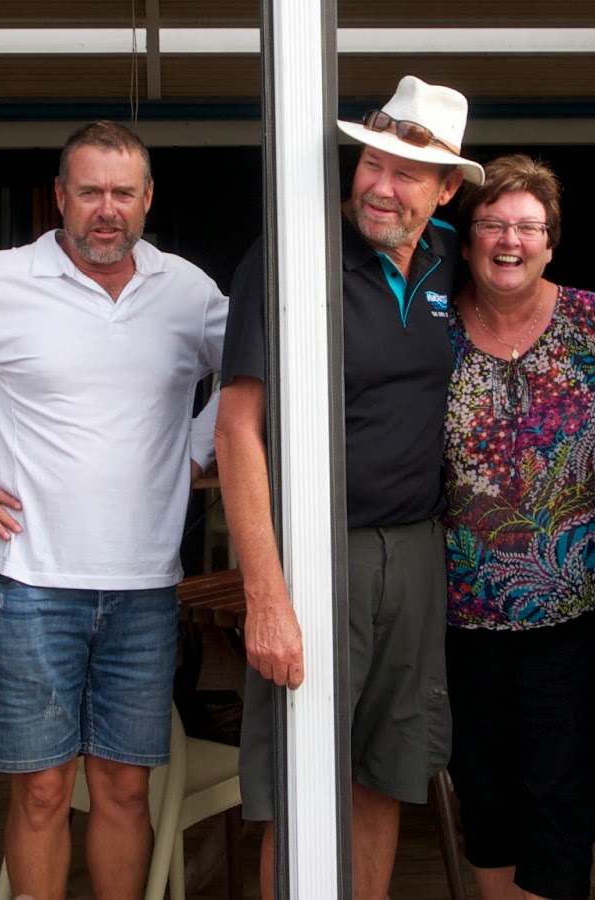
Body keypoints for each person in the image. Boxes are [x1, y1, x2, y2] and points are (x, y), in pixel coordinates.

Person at [0, 120, 227, 900]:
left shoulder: (188, 292)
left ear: (148, 197)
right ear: (59, 196)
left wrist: (199, 446)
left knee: (125, 788)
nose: (107, 210)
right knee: (41, 790)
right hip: (29, 582)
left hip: (144, 585)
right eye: (90, 191)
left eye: (123, 193)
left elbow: (255, 370)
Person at [215, 75, 482, 900]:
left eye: (408, 173)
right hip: (317, 555)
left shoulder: (449, 260)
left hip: (417, 553)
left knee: (386, 774)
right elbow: (237, 429)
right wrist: (265, 595)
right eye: (372, 163)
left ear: (445, 190)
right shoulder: (291, 255)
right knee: (300, 785)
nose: (381, 186)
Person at [441, 154, 595, 900]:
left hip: (572, 615)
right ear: (466, 240)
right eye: (492, 224)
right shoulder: (435, 328)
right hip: (460, 616)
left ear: (550, 242)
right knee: (485, 797)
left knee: (559, 799)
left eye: (527, 227)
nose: (509, 240)